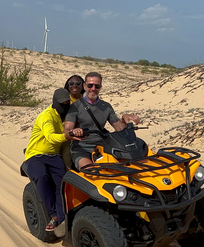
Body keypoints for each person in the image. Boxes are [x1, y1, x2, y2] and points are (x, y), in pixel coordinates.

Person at [24, 88, 82, 231]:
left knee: (63, 183)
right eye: (62, 103)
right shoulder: (46, 116)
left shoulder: (65, 115)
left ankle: (63, 217)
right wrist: (66, 136)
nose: (65, 105)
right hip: (36, 155)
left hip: (54, 156)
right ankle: (53, 215)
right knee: (41, 176)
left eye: (67, 103)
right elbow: (50, 137)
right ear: (55, 102)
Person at [64, 72, 140, 170]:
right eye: (90, 85)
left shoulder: (106, 107)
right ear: (84, 86)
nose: (93, 89)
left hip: (102, 147)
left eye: (97, 86)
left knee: (118, 170)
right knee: (90, 171)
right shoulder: (75, 106)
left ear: (100, 87)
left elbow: (119, 128)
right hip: (81, 148)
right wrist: (73, 132)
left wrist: (124, 119)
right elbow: (66, 130)